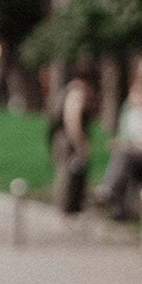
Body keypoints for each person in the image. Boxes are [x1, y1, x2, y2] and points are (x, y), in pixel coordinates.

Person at [93, 57, 142, 220]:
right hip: (135, 155)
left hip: (140, 154)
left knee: (123, 155)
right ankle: (117, 208)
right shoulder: (130, 112)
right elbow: (126, 135)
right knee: (122, 156)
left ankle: (108, 191)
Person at [49, 67, 97, 215]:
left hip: (60, 138)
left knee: (64, 172)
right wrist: (80, 144)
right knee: (68, 175)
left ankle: (63, 208)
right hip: (68, 140)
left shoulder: (66, 90)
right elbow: (73, 119)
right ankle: (67, 209)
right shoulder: (77, 92)